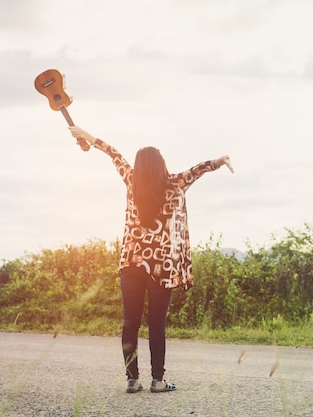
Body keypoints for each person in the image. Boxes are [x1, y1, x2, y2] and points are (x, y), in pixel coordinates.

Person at [69, 125, 234, 393]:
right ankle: (158, 381)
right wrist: (219, 161)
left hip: (131, 264)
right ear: (161, 165)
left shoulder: (130, 179)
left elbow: (113, 153)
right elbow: (197, 170)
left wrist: (84, 135)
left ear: (139, 166)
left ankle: (132, 380)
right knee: (156, 324)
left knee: (129, 322)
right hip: (162, 267)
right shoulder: (174, 183)